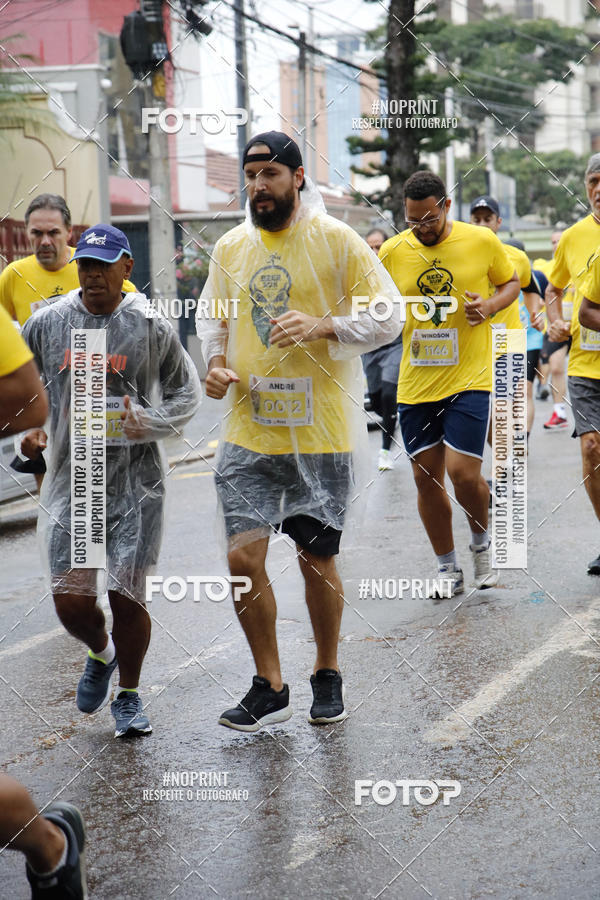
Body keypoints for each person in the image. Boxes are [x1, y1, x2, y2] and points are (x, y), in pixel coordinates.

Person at [197, 130, 402, 732]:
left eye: (271, 174)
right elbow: (214, 320)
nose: (259, 186)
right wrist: (213, 365)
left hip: (321, 432)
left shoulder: (336, 240)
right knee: (241, 556)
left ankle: (327, 671)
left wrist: (323, 325)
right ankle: (269, 681)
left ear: (298, 178)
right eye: (251, 175)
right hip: (249, 430)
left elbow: (388, 315)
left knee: (316, 557)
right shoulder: (231, 247)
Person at [20, 224, 201, 738]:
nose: (92, 275)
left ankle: (129, 694)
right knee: (72, 602)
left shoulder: (149, 325)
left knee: (127, 594)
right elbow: (21, 390)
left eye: (103, 265)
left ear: (127, 268)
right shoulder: (48, 323)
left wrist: (152, 422)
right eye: (85, 265)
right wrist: (29, 435)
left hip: (135, 483)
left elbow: (185, 393)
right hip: (74, 483)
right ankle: (102, 653)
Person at [380, 171, 519, 597]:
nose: (421, 229)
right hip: (417, 384)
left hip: (469, 377)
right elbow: (370, 302)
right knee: (425, 478)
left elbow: (511, 283)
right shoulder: (391, 252)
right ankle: (447, 569)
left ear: (445, 206)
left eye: (428, 219)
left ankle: (481, 545)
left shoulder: (481, 241)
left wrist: (490, 305)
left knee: (462, 474)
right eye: (412, 221)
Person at [0, 310, 86, 899]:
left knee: (85, 590)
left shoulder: (132, 306)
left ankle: (49, 845)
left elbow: (27, 398)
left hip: (103, 458)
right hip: (54, 462)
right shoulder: (18, 283)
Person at [0, 194, 135, 489]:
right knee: (54, 505)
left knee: (103, 497)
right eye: (36, 233)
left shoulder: (90, 265)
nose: (45, 241)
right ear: (27, 234)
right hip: (46, 404)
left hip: (100, 398)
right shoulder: (13, 276)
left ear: (69, 232)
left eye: (53, 232)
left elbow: (134, 322)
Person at [546, 152, 600, 574]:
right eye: (593, 181)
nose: (599, 189)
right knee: (592, 448)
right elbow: (553, 288)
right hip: (585, 363)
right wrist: (555, 319)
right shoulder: (573, 237)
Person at [361, 227, 403, 470]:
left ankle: (385, 451)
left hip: (395, 344)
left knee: (389, 395)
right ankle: (396, 416)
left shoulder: (396, 271)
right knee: (377, 402)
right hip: (371, 347)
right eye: (370, 247)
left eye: (379, 246)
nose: (375, 251)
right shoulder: (361, 275)